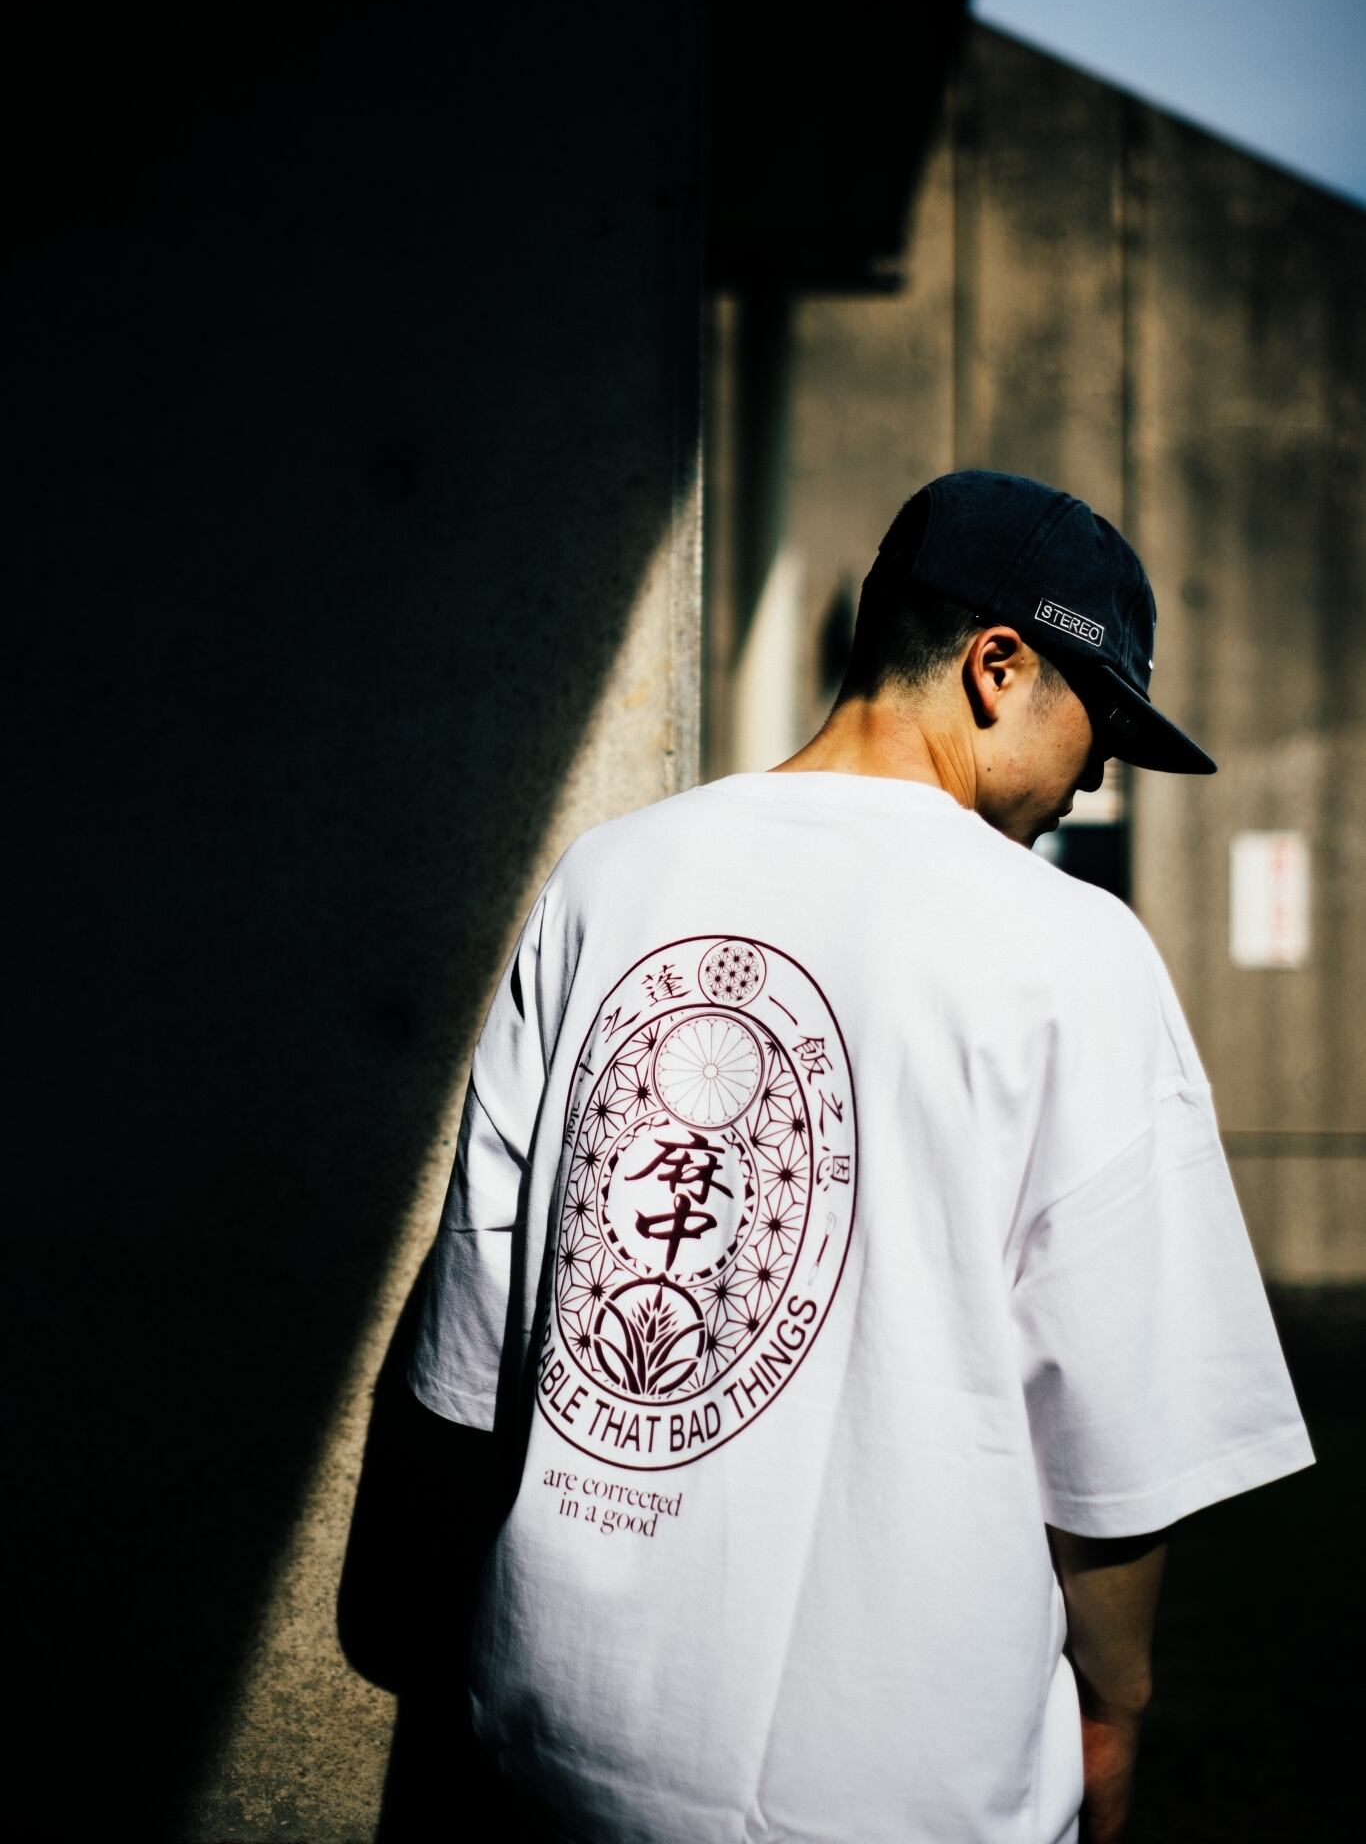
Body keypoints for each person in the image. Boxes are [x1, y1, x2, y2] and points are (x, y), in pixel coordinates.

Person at [407, 470, 1313, 1843]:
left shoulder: (607, 877)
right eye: (1103, 718)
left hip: (554, 1746)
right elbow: (1116, 1443)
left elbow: (481, 1358)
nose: (1099, 773)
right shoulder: (1070, 948)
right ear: (998, 667)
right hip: (902, 1782)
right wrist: (1118, 1705)